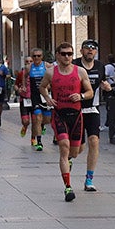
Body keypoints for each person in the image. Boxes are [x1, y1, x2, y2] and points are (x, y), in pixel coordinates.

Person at [41, 43, 93, 202]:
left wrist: (81, 96)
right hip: (59, 115)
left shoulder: (80, 72)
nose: (67, 57)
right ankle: (68, 187)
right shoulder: (51, 72)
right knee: (64, 145)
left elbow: (90, 92)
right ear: (57, 55)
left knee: (75, 152)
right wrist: (48, 99)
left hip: (76, 115)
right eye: (63, 54)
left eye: (70, 54)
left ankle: (69, 159)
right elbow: (42, 87)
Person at [72, 39, 115, 191]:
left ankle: (89, 179)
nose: (90, 50)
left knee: (94, 141)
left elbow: (103, 81)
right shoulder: (75, 65)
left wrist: (107, 87)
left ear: (96, 52)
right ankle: (70, 157)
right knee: (78, 149)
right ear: (82, 51)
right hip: (75, 109)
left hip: (92, 109)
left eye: (93, 48)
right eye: (87, 48)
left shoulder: (100, 66)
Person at [25, 48, 49, 151]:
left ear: (42, 57)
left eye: (38, 56)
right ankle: (39, 142)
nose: (36, 58)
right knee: (37, 117)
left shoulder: (47, 66)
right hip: (35, 96)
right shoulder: (29, 67)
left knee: (47, 119)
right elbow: (24, 76)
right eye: (34, 56)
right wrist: (24, 86)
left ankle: (43, 125)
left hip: (46, 95)